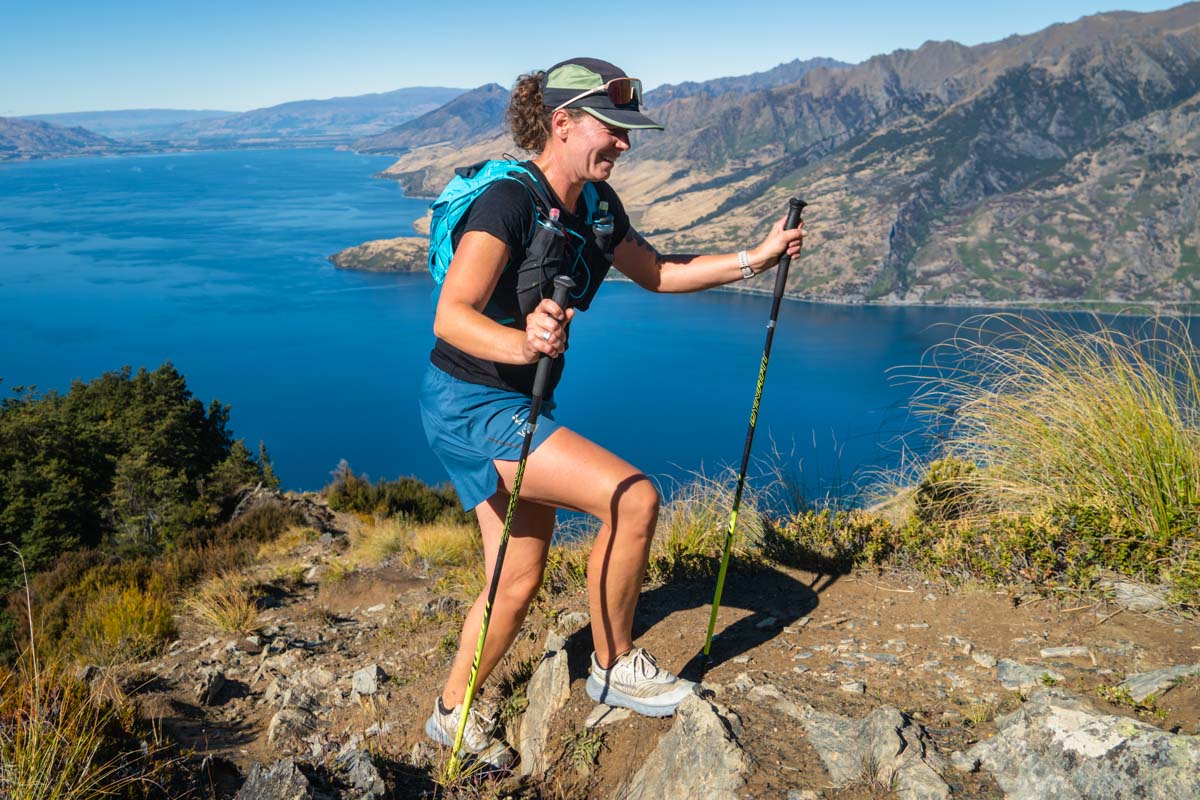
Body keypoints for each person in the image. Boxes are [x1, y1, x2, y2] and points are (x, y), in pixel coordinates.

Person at [419, 57, 804, 766]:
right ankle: (613, 664)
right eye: (612, 129)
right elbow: (451, 316)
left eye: (629, 132)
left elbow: (658, 272)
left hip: (507, 400)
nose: (624, 144)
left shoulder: (596, 207)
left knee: (516, 579)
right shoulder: (508, 204)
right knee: (631, 498)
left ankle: (450, 714)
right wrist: (521, 338)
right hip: (473, 404)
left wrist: (757, 257)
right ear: (560, 123)